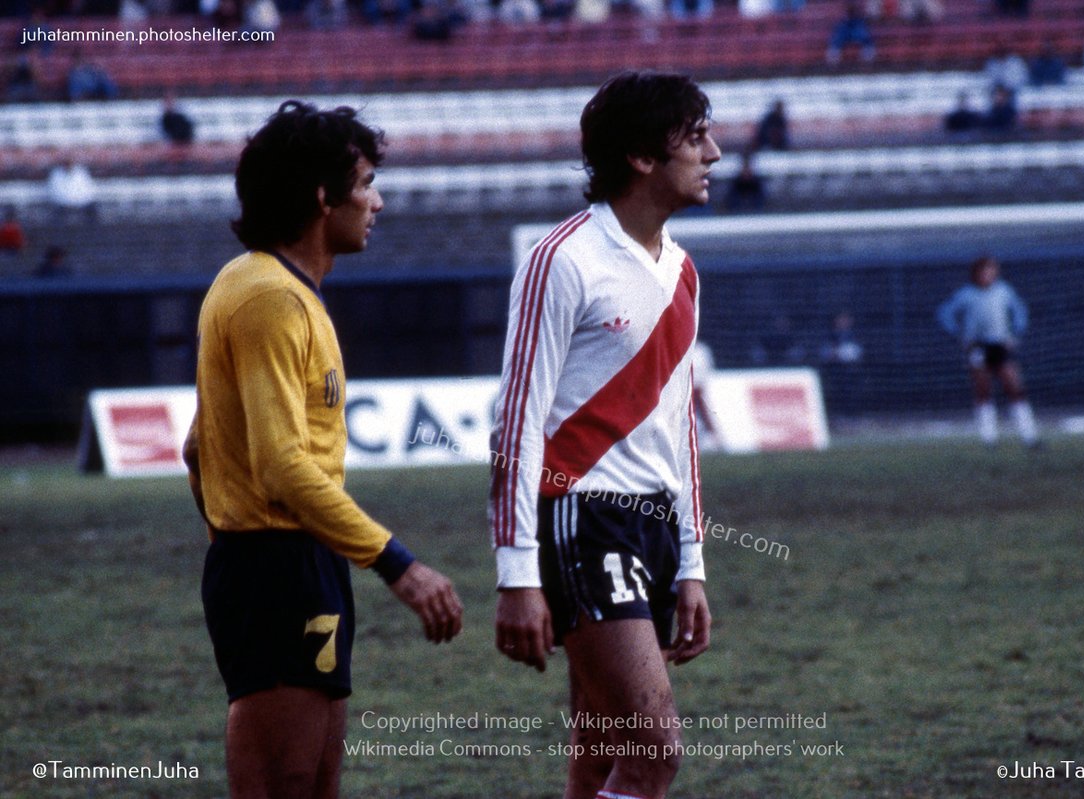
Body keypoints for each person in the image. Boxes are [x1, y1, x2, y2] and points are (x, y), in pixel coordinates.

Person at [183, 100, 464, 799]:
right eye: (365, 181)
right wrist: (399, 564)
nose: (378, 200)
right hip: (277, 566)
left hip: (296, 561)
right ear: (320, 195)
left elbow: (198, 447)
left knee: (310, 786)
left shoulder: (281, 292)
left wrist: (231, 530)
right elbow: (281, 466)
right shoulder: (269, 298)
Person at [489, 71, 718, 799]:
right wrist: (517, 573)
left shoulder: (682, 270)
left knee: (599, 757)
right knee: (654, 749)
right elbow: (516, 422)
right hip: (582, 518)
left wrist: (692, 560)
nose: (714, 152)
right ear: (642, 157)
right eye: (695, 138)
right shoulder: (562, 260)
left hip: (652, 523)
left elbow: (679, 428)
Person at [937, 255, 1041, 448]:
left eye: (991, 270)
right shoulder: (966, 294)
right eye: (984, 271)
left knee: (1014, 387)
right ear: (976, 273)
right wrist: (960, 335)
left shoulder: (1004, 291)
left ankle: (1029, 436)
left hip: (1000, 345)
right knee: (983, 388)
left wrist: (1015, 334)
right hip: (977, 347)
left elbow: (1020, 312)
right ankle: (989, 438)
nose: (988, 275)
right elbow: (944, 314)